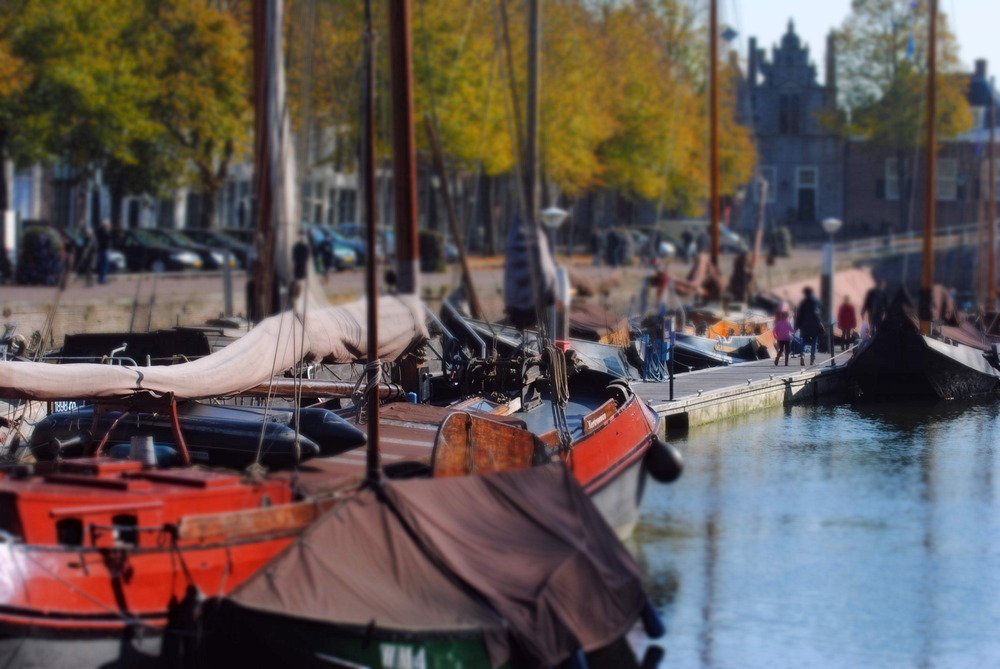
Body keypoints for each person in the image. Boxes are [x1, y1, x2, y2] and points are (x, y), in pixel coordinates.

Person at [795, 286, 823, 366]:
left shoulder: (802, 302)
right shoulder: (815, 301)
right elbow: (817, 312)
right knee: (814, 343)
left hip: (804, 325)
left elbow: (799, 315)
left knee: (804, 342)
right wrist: (819, 323)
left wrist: (797, 325)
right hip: (813, 326)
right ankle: (812, 360)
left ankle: (802, 356)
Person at [95, 220, 111, 284]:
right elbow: (108, 238)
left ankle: (101, 278)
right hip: (104, 249)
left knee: (102, 264)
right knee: (105, 264)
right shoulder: (104, 232)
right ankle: (103, 279)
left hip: (101, 250)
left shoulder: (99, 231)